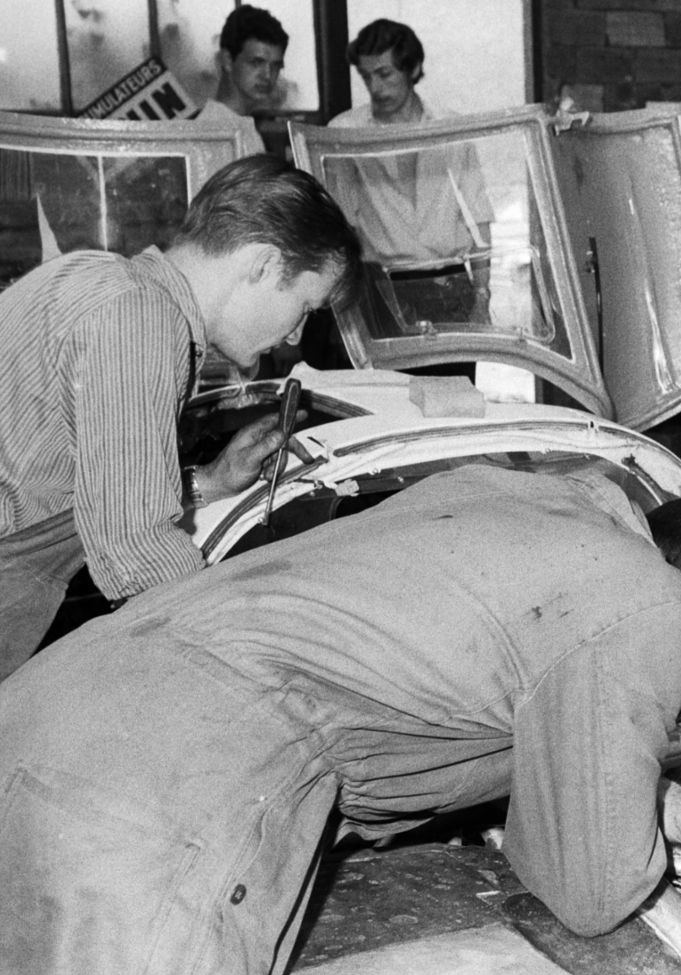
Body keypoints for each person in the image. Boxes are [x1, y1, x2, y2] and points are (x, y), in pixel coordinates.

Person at [0, 463, 681, 975]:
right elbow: (588, 887)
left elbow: (522, 708)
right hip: (162, 795)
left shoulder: (509, 501)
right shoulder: (653, 600)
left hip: (52, 712)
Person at [0, 153, 360, 682]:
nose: (294, 337)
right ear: (262, 264)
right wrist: (265, 656)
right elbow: (136, 554)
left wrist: (206, 484)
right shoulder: (139, 319)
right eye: (305, 308)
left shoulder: (102, 279)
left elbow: (75, 487)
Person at [326, 18, 493, 331]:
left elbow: (479, 219)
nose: (375, 88)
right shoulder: (345, 134)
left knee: (452, 381)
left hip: (450, 287)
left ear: (413, 69)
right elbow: (341, 227)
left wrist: (482, 295)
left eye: (384, 74)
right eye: (366, 76)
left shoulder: (451, 129)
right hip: (380, 289)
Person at [197, 5, 287, 120]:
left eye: (275, 66)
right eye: (257, 63)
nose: (268, 75)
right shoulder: (214, 131)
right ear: (227, 60)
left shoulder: (243, 126)